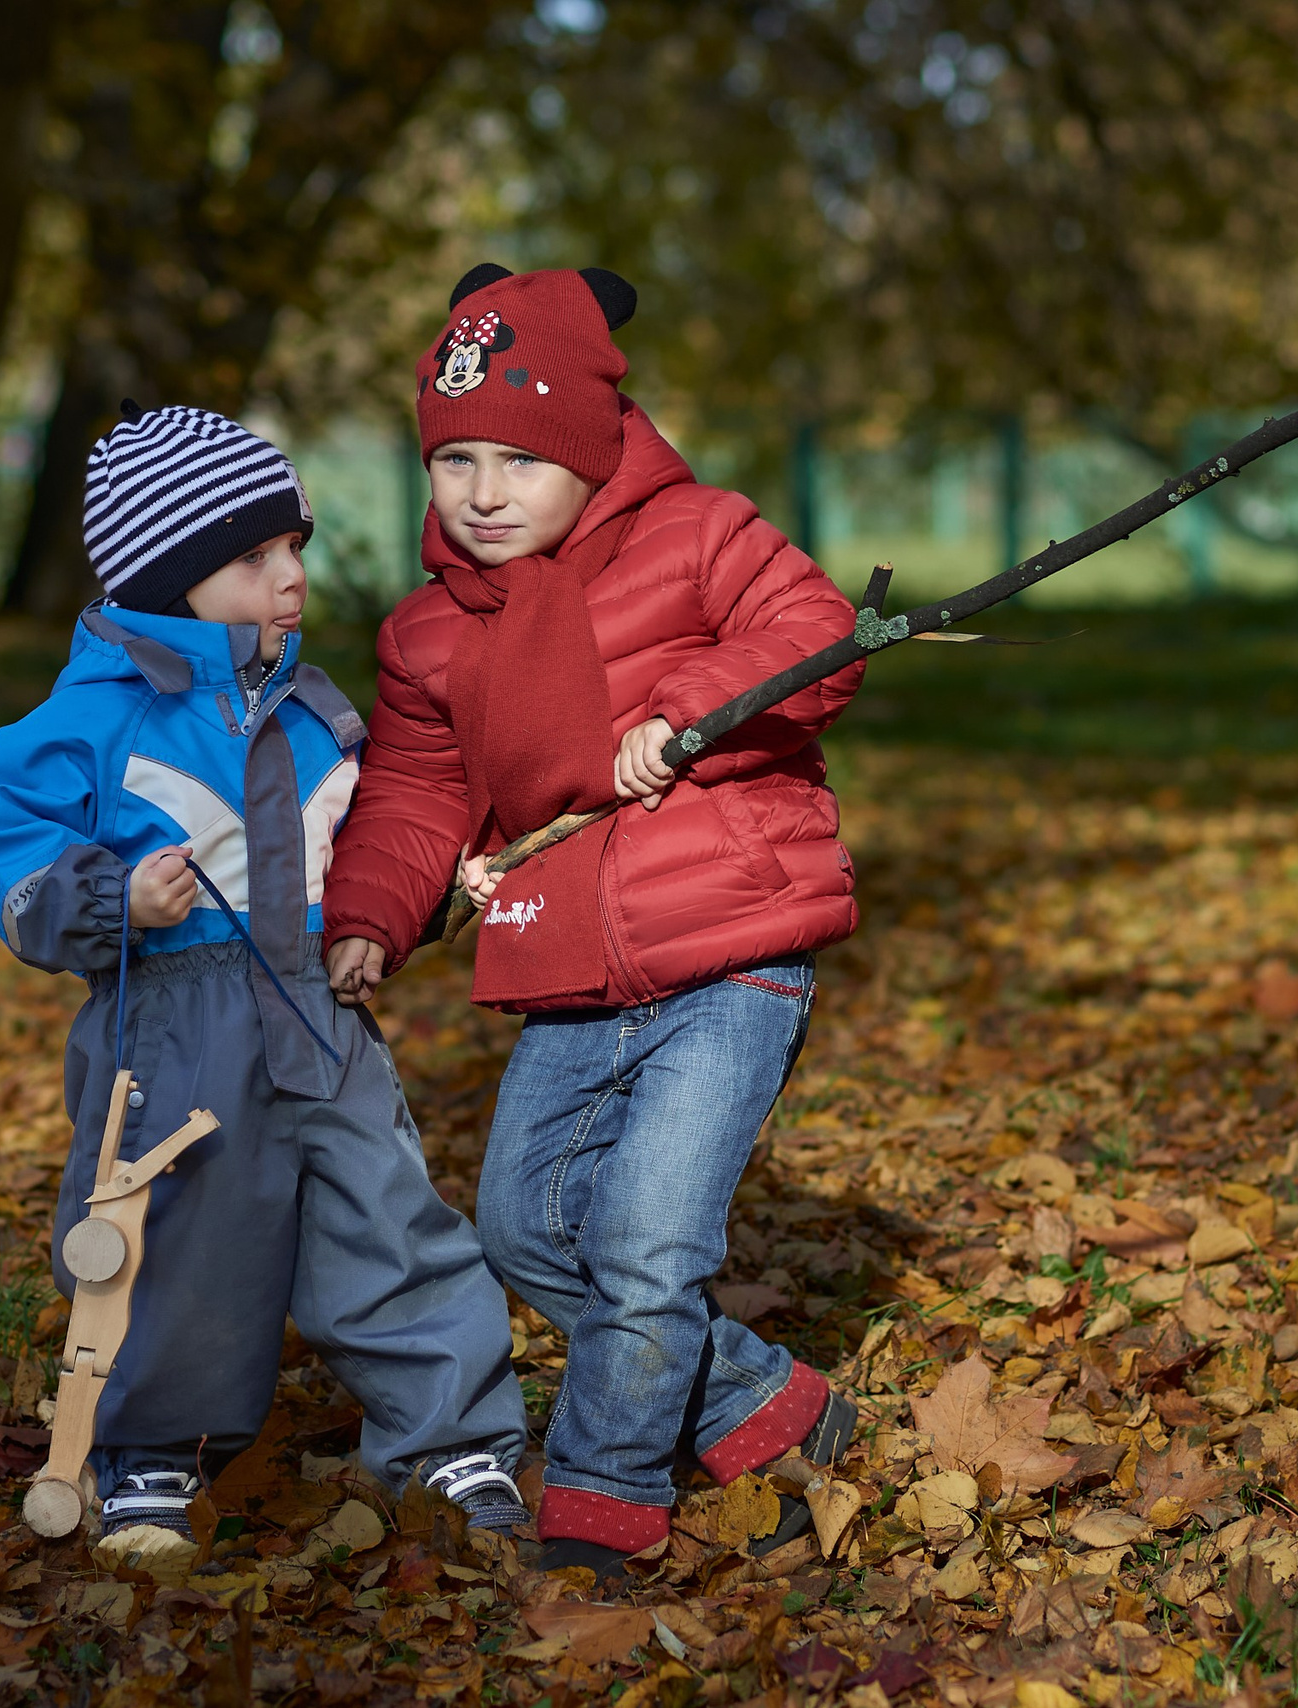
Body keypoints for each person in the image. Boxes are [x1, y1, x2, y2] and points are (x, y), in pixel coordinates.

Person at [322, 266, 864, 1580]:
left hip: (730, 954)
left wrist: (690, 714)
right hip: (562, 961)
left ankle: (601, 1502)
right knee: (523, 1227)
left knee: (644, 1244)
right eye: (456, 461)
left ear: (592, 446)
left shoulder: (698, 534)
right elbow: (414, 792)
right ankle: (763, 1403)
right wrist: (374, 913)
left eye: (521, 459)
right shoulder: (431, 633)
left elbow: (815, 631)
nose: (484, 491)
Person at [0, 404, 527, 1579]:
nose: (290, 577)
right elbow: (7, 846)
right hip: (174, 1028)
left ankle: (450, 1437)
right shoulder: (95, 720)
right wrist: (112, 897)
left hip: (322, 1014)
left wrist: (416, 900)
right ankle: (151, 1448)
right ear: (170, 578)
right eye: (254, 556)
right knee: (172, 1234)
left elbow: (380, 835)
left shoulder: (317, 712)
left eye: (295, 548)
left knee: (384, 1211)